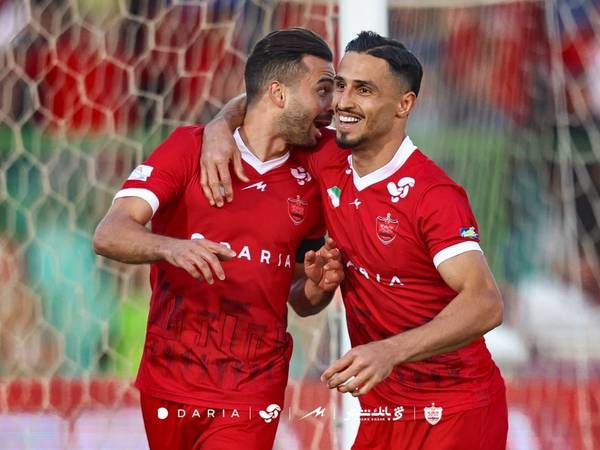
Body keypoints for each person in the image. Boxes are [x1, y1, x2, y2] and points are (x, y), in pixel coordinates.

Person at [200, 31, 507, 450]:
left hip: (456, 408)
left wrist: (389, 352)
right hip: (383, 410)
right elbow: (265, 102)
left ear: (404, 105)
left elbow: (486, 302)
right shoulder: (326, 155)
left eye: (364, 90)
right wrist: (219, 126)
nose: (342, 102)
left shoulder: (433, 195)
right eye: (340, 85)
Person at [93, 28, 345, 450]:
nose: (331, 105)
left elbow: (299, 299)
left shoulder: (318, 167)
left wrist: (318, 288)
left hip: (253, 385)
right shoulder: (188, 148)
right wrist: (171, 247)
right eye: (322, 90)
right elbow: (109, 233)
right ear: (278, 93)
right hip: (170, 376)